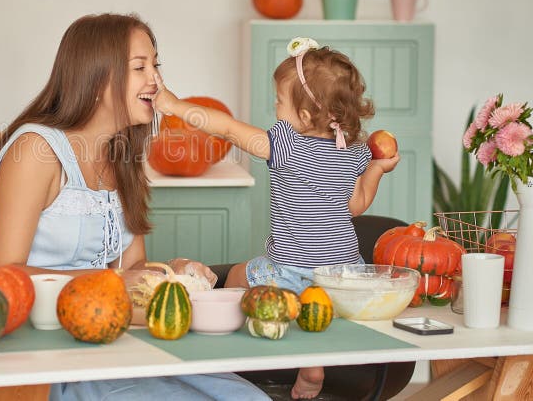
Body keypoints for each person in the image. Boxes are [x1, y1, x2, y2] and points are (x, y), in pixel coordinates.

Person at [0, 13, 271, 401]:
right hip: (47, 353)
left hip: (116, 339)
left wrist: (172, 271)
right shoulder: (36, 150)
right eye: (139, 67)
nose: (156, 80)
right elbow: (3, 274)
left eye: (156, 65)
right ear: (98, 79)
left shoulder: (122, 155)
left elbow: (131, 268)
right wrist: (112, 283)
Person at [152, 37, 400, 400]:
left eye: (279, 102)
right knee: (315, 314)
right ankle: (312, 365)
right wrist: (377, 168)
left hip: (289, 270)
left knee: (237, 276)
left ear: (302, 116)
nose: (275, 108)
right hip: (341, 274)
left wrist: (174, 104)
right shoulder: (354, 154)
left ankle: (224, 347)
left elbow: (226, 128)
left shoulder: (286, 145)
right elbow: (355, 207)